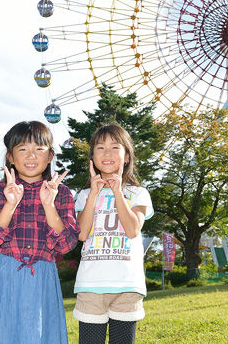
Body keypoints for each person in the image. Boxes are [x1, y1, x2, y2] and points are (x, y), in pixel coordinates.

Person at [0, 121, 80, 344]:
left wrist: (49, 205)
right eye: (23, 149)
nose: (31, 156)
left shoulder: (62, 192)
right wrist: (10, 204)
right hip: (0, 276)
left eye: (39, 149)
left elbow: (65, 245)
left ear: (50, 155)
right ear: (10, 156)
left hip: (42, 278)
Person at [73, 123, 154, 344]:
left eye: (115, 147)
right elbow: (81, 234)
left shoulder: (138, 193)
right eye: (100, 147)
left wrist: (117, 191)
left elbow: (132, 229)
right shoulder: (84, 195)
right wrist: (93, 194)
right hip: (90, 285)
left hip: (127, 285)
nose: (107, 153)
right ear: (92, 157)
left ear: (126, 156)